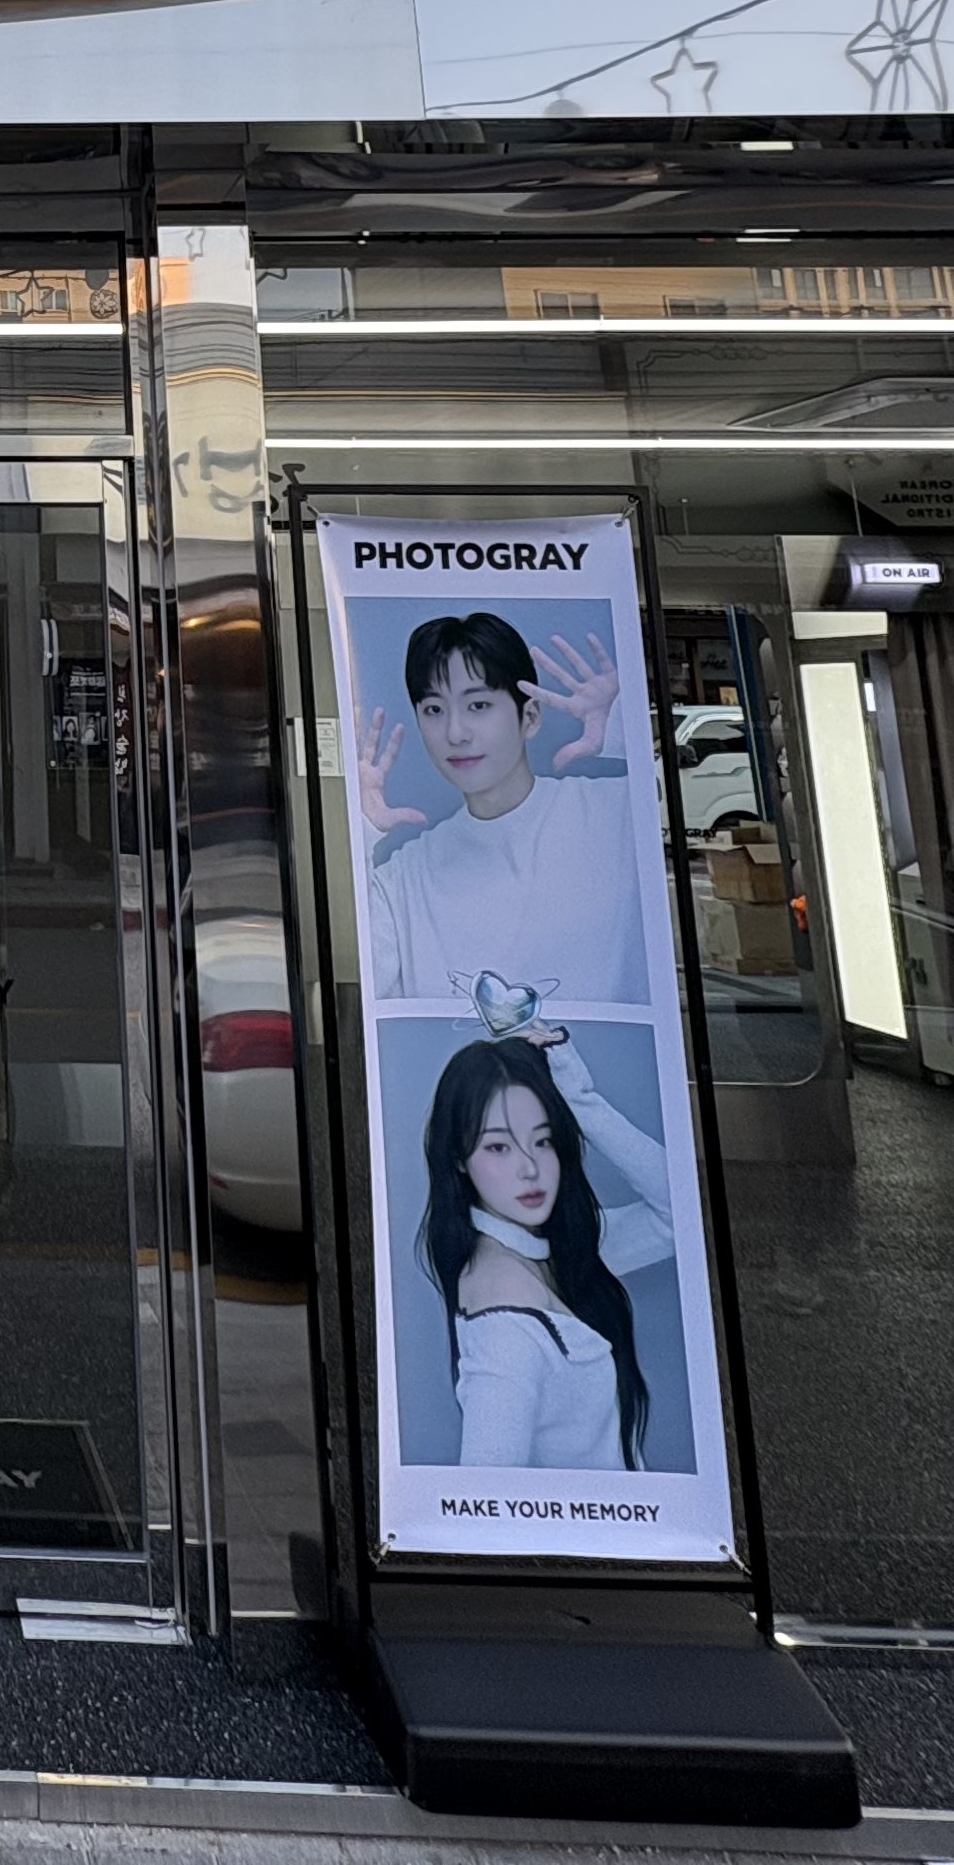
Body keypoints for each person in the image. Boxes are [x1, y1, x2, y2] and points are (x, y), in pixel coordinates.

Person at [417, 1023, 673, 1470]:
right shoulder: (506, 1328)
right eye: (499, 1147)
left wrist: (578, 1099)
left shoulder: (560, 1247)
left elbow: (678, 1209)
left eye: (543, 1140)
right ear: (458, 1159)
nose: (530, 1168)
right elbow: (489, 1497)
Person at [357, 610, 643, 1005]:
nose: (455, 733)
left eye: (478, 705)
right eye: (434, 710)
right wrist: (359, 830)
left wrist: (623, 728)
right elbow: (370, 990)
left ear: (530, 717)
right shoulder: (406, 878)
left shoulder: (616, 815)